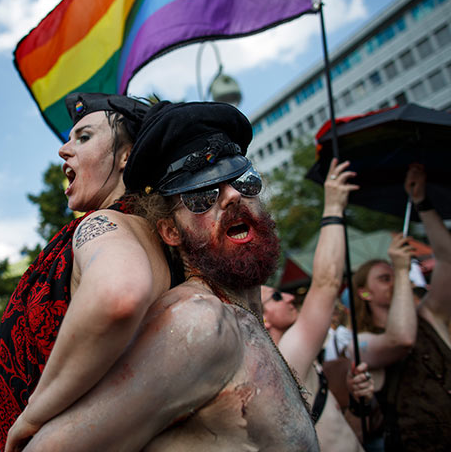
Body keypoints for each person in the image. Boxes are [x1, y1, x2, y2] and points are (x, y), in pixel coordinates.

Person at [23, 101, 319, 451]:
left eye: (242, 179)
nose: (232, 196)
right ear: (170, 230)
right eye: (201, 195)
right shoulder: (199, 323)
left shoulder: (239, 319)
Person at [0, 93, 173, 451]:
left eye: (84, 137)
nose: (63, 150)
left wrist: (31, 417)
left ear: (126, 155)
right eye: (68, 138)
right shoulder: (144, 230)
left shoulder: (106, 223)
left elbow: (118, 294)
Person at [260, 158, 375, 451]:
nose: (287, 296)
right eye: (275, 297)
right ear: (263, 320)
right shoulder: (286, 359)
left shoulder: (298, 354)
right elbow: (325, 283)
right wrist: (334, 208)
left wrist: (359, 403)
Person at [351, 163, 451, 451]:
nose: (395, 281)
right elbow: (402, 338)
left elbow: (447, 260)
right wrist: (401, 269)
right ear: (365, 293)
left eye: (395, 276)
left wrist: (423, 203)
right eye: (385, 278)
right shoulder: (360, 342)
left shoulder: (428, 316)